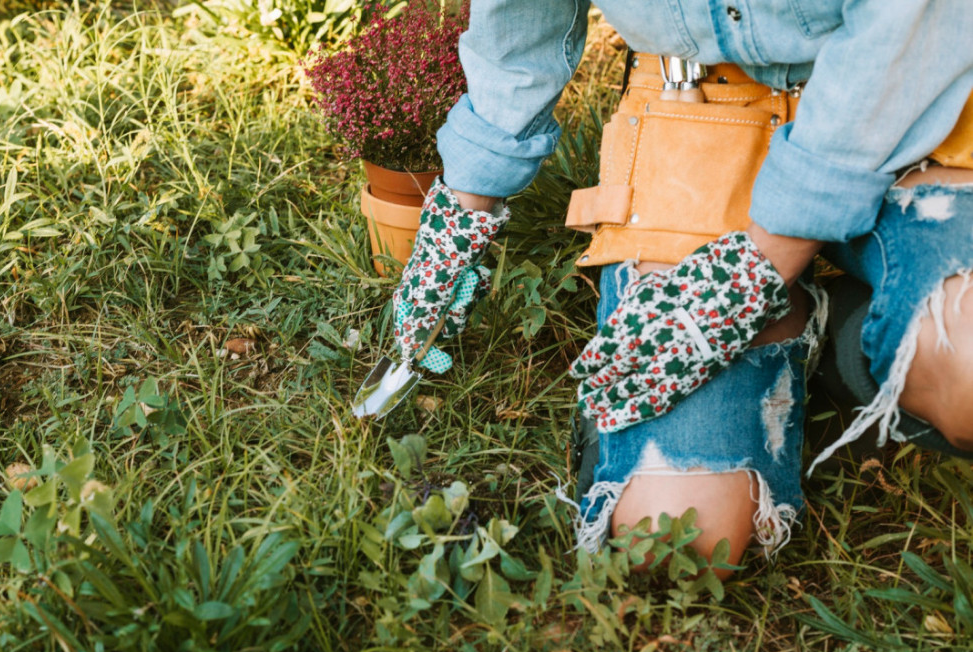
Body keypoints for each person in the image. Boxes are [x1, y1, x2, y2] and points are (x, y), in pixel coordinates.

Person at [391, 1, 973, 570]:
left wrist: (763, 263)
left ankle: (851, 343)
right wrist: (465, 206)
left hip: (914, 103)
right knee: (675, 540)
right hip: (700, 108)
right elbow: (520, 22)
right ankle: (837, 329)